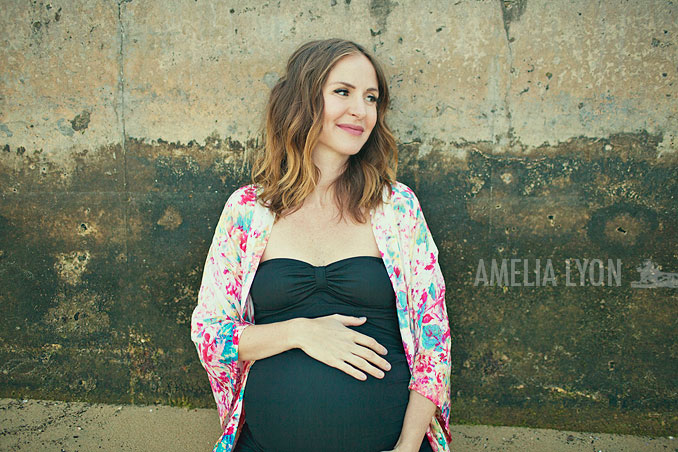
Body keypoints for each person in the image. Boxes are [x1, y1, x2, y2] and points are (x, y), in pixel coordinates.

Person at [191, 38, 452, 452]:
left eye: (371, 98)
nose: (361, 110)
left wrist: (406, 448)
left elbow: (434, 343)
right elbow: (209, 333)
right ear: (303, 100)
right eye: (342, 92)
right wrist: (300, 333)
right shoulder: (247, 209)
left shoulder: (397, 207)